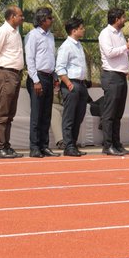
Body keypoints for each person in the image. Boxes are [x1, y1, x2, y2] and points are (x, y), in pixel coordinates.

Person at [99, 7, 129, 155]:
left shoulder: (120, 34)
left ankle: (116, 144)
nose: (124, 20)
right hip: (111, 75)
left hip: (121, 76)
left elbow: (123, 52)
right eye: (123, 18)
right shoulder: (105, 33)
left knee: (118, 113)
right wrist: (127, 46)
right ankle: (107, 145)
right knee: (110, 113)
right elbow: (110, 53)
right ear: (116, 19)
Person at [0, 4, 25, 159]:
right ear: (12, 17)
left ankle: (6, 146)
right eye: (20, 15)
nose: (22, 18)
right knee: (3, 113)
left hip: (15, 74)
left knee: (10, 113)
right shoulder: (3, 31)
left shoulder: (15, 32)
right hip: (6, 73)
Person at [25, 6, 57, 157]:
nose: (52, 20)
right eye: (50, 18)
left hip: (49, 77)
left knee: (46, 114)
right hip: (38, 77)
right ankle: (34, 147)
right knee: (36, 114)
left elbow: (51, 58)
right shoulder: (33, 35)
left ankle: (44, 145)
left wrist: (55, 76)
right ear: (43, 20)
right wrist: (35, 80)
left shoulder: (50, 36)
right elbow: (30, 59)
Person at [55, 17, 90, 156]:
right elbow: (60, 68)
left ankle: (73, 144)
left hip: (81, 84)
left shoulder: (78, 45)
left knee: (79, 116)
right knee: (69, 117)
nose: (83, 30)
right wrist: (69, 83)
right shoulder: (66, 46)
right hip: (71, 84)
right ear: (74, 30)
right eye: (81, 28)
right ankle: (68, 146)